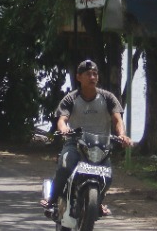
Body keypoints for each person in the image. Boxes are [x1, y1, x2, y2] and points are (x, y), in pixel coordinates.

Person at [42, 59, 131, 214]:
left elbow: (117, 119)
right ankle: (53, 200)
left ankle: (98, 201)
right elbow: (62, 120)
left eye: (95, 74)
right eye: (88, 74)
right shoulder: (71, 98)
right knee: (65, 167)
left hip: (100, 146)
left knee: (107, 177)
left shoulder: (108, 98)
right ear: (79, 77)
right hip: (75, 144)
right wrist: (64, 129)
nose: (92, 77)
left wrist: (122, 135)